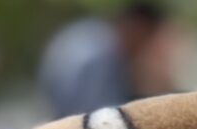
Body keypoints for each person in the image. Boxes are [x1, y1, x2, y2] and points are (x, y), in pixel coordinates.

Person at [38, 3, 170, 118]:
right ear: (139, 28)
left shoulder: (92, 32)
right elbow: (96, 114)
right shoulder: (101, 56)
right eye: (147, 39)